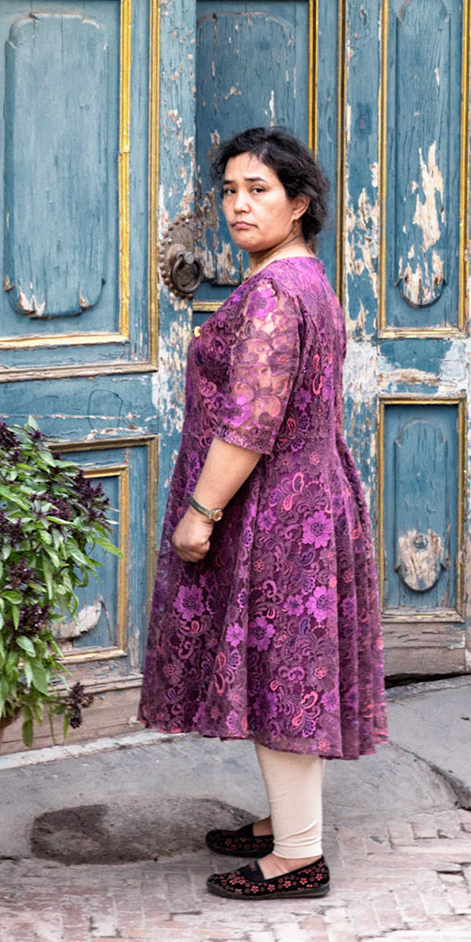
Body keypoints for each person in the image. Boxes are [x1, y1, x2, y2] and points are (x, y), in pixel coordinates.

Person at [139, 125, 386, 901]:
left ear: (299, 203)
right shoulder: (305, 279)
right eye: (231, 192)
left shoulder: (276, 296)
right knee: (280, 669)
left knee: (282, 676)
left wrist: (200, 513)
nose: (239, 207)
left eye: (260, 192)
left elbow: (249, 421)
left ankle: (298, 856)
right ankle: (288, 823)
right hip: (305, 495)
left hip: (278, 507)